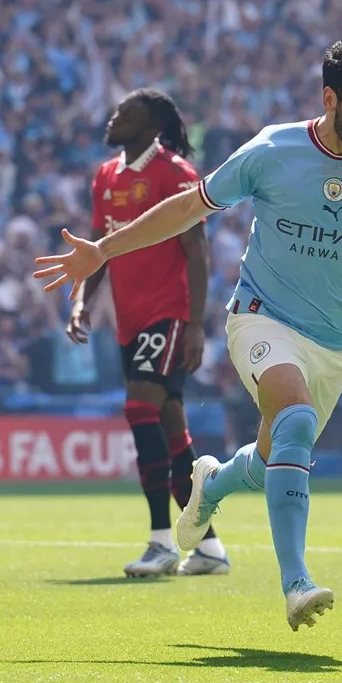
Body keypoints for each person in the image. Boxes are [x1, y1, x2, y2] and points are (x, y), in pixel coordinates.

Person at [33, 41, 342, 630]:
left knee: (273, 459)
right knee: (294, 421)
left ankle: (213, 482)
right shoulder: (272, 149)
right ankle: (297, 583)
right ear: (329, 97)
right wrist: (103, 252)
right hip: (261, 319)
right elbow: (190, 207)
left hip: (338, 343)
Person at [67, 88, 229, 578]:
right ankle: (210, 549)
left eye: (126, 113)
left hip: (169, 313)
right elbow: (98, 247)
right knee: (171, 430)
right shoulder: (106, 176)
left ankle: (161, 540)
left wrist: (196, 324)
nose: (114, 118)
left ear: (152, 125)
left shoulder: (175, 173)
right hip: (129, 316)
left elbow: (196, 250)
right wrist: (80, 300)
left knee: (140, 407)